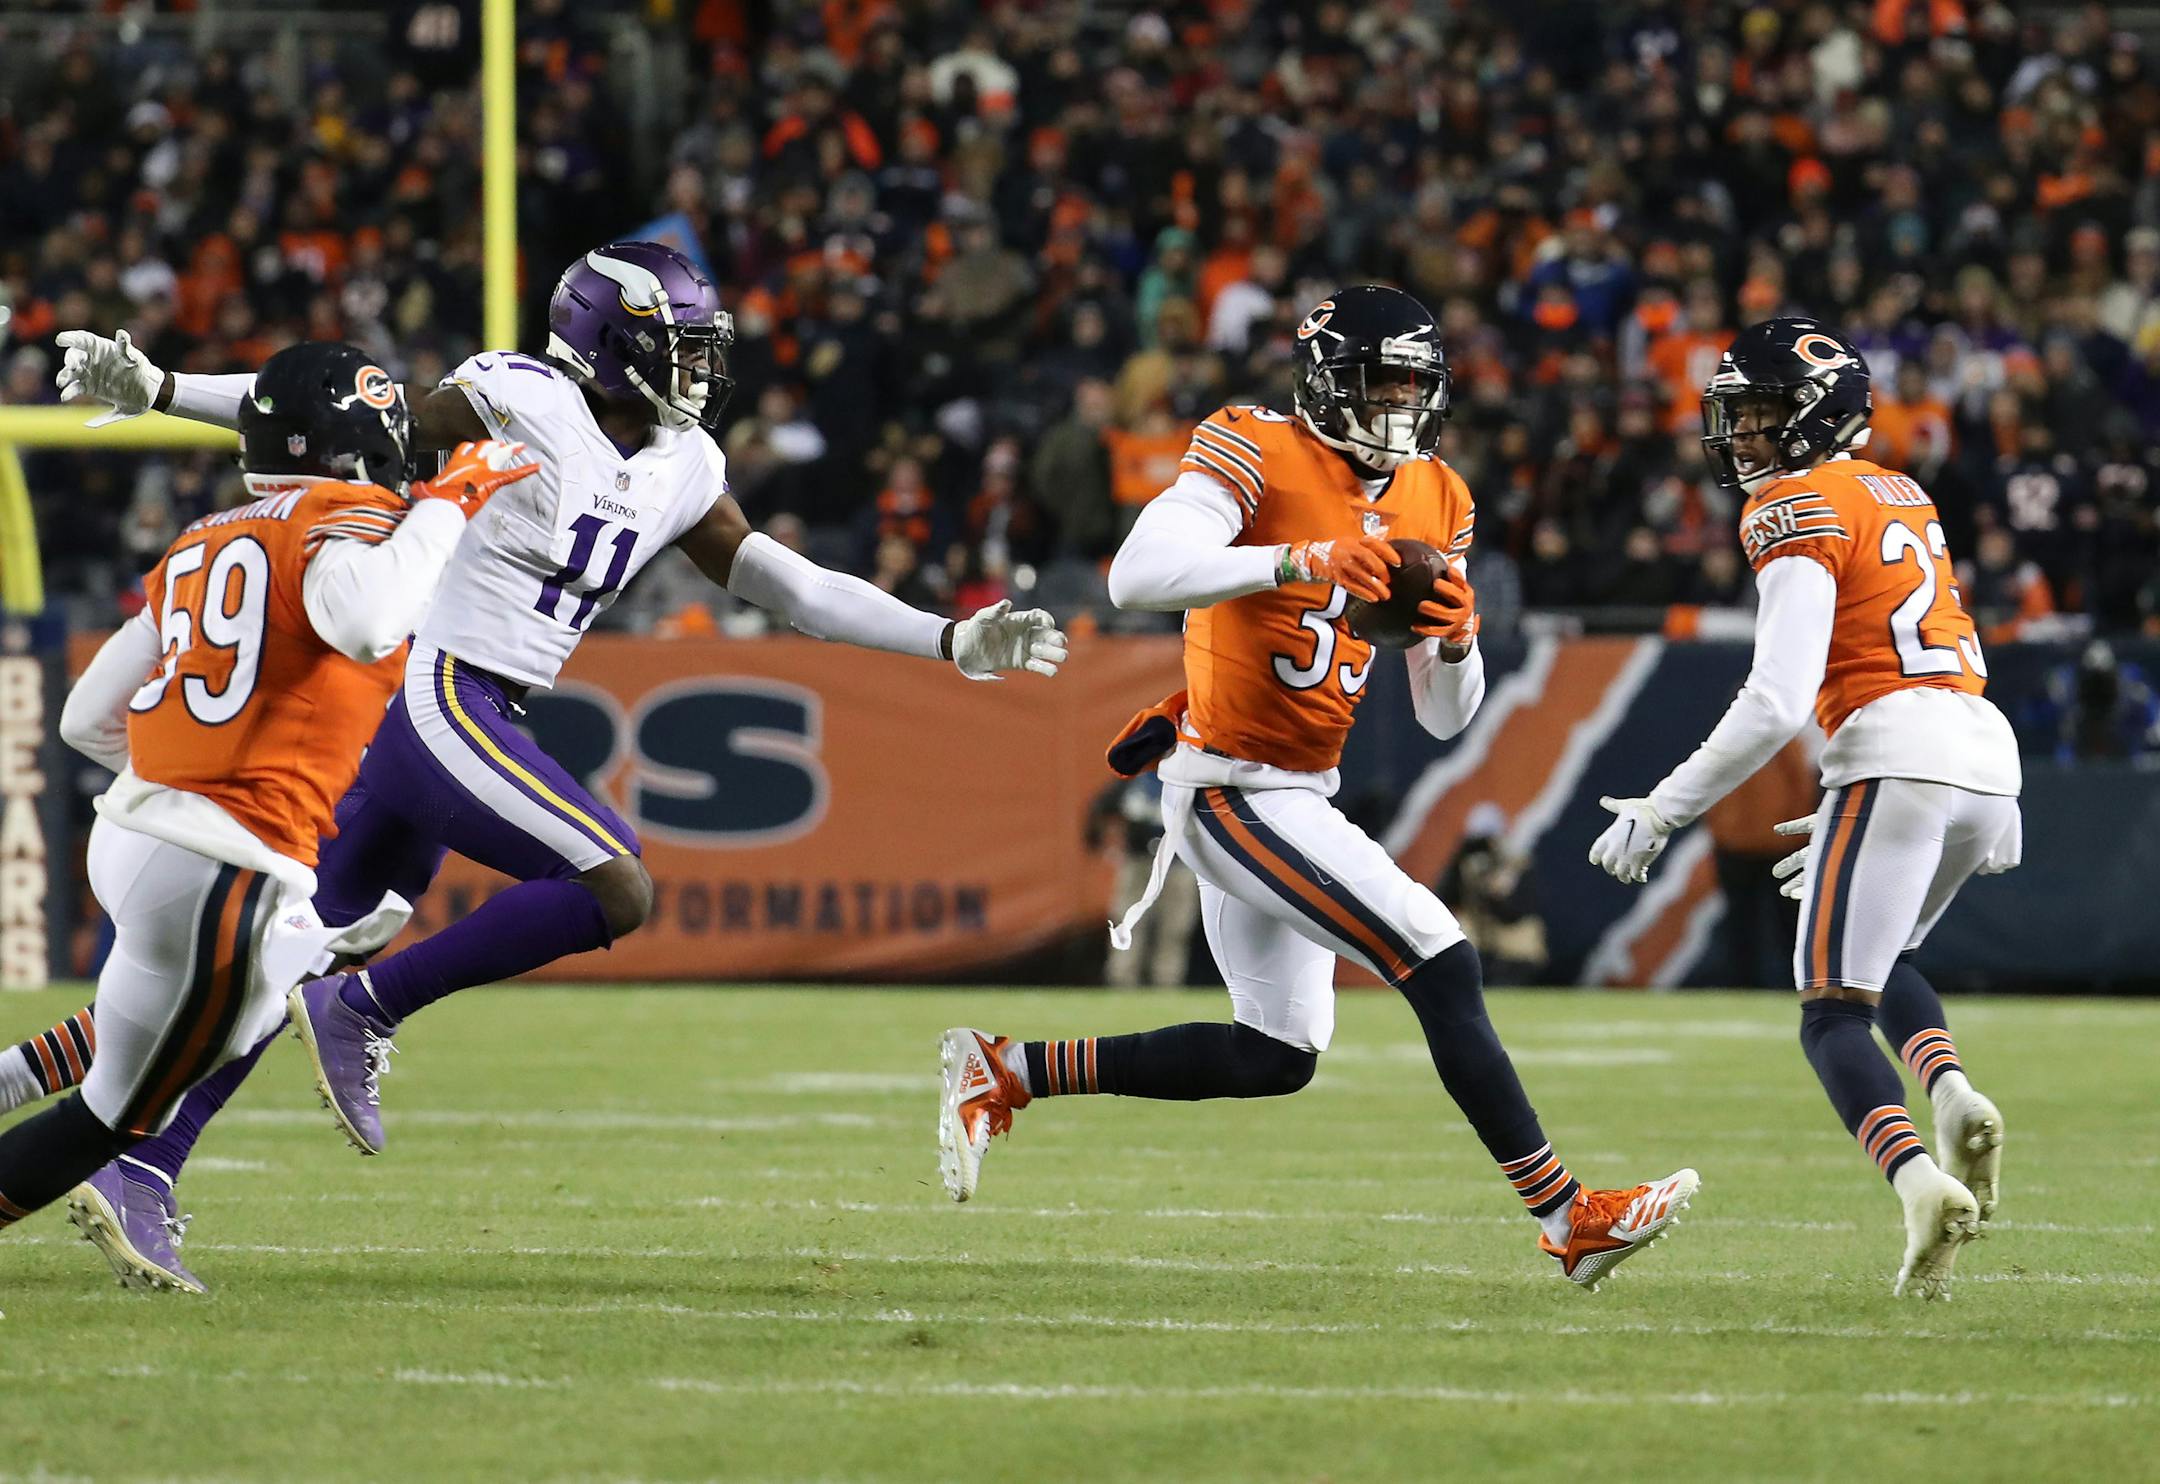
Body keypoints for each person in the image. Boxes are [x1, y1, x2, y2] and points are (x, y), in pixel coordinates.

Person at [43, 242, 1067, 1288]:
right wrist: (164, 389)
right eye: (677, 344)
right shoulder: (522, 396)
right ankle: (366, 1007)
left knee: (276, 964)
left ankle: (139, 1166)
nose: (699, 366)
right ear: (610, 341)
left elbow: (794, 587)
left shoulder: (684, 462)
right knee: (613, 883)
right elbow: (346, 421)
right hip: (436, 688)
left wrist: (949, 637)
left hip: (469, 704)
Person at [937, 286, 1698, 1290]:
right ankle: (1567, 1216)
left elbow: (1445, 716)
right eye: (1383, 384)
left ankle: (1007, 1070)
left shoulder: (1440, 495)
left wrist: (1457, 640)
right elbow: (1137, 574)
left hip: (1298, 789)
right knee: (1439, 956)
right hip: (1231, 787)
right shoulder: (1256, 445)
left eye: (1415, 387)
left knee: (1275, 1054)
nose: (1401, 406)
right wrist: (1300, 557)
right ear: (1328, 381)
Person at [2, 342, 533, 1292]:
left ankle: (300, 951)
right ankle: (300, 955)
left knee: (200, 1016)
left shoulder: (203, 534)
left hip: (135, 835)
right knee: (120, 1114)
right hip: (222, 862)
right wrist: (451, 500)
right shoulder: (353, 514)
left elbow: (86, 720)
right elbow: (363, 621)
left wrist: (181, 783)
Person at [1587, 317, 2019, 1300]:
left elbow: (1777, 701)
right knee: (1885, 956)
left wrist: (1663, 807)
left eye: (1764, 412)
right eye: (1737, 413)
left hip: (1899, 749)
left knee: (1830, 1012)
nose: (1743, 433)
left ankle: (1919, 1184)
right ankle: (1952, 1091)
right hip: (1983, 751)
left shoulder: (1793, 504)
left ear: (1821, 413)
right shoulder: (1899, 488)